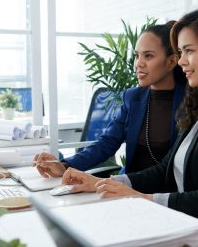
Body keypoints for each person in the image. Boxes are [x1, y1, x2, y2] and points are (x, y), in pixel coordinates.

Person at [60, 8, 198, 247]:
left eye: (189, 51)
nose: (181, 61)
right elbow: (165, 170)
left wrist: (142, 198)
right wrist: (105, 183)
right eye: (180, 52)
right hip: (190, 227)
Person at [34, 21, 186, 177]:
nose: (138, 64)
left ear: (172, 61)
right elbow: (107, 143)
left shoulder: (191, 102)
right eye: (136, 56)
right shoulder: (132, 98)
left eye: (148, 56)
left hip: (165, 194)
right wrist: (65, 165)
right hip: (128, 189)